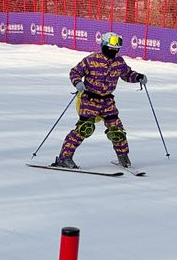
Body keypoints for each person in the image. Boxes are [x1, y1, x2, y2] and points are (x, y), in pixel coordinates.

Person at [53, 31, 146, 169]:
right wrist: (78, 82)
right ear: (103, 45)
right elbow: (75, 72)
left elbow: (127, 74)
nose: (114, 51)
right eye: (111, 48)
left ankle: (123, 156)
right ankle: (64, 157)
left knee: (117, 130)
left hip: (107, 102)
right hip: (90, 100)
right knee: (84, 129)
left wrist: (138, 77)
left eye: (116, 49)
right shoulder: (91, 60)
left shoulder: (119, 62)